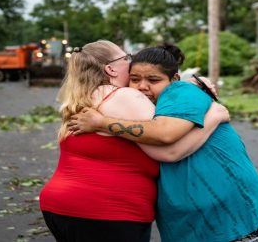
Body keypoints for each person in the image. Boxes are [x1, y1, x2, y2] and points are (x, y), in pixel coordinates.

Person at [68, 44, 258, 242]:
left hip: (229, 213)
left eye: (153, 79)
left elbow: (166, 138)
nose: (142, 86)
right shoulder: (149, 103)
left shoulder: (180, 92)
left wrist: (101, 122)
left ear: (173, 80)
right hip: (192, 218)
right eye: (134, 78)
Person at [39, 40, 229, 242]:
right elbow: (167, 149)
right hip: (107, 211)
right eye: (126, 58)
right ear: (111, 69)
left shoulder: (82, 97)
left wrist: (182, 84)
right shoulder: (123, 96)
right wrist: (213, 117)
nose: (131, 61)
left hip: (59, 205)